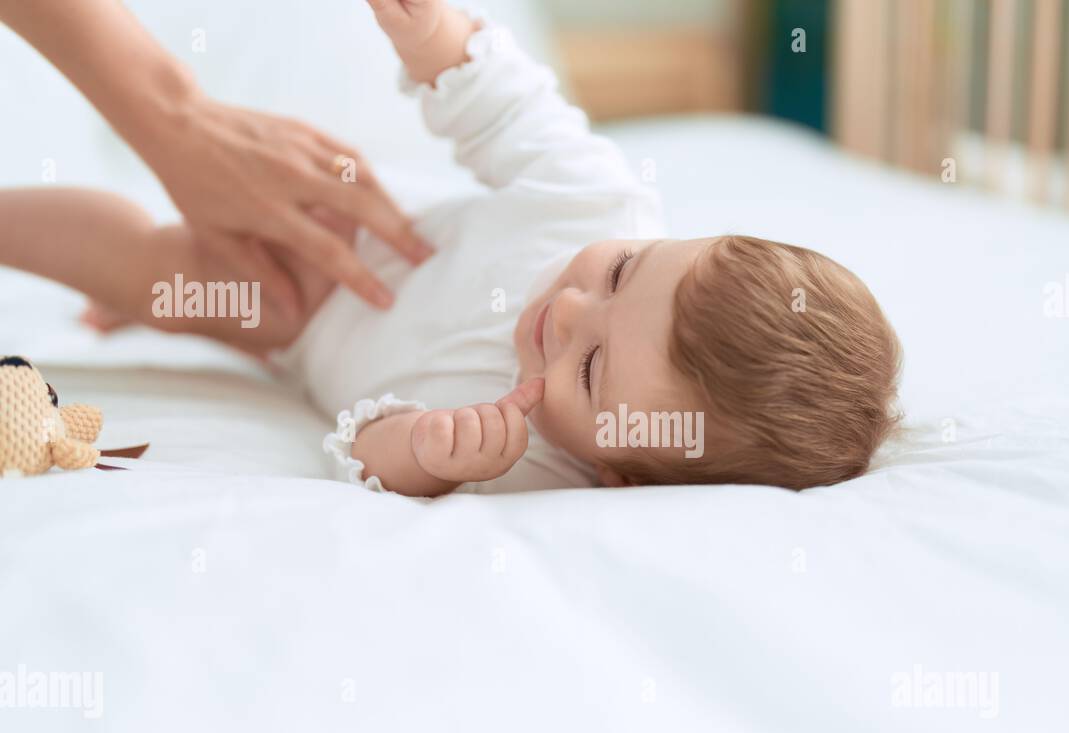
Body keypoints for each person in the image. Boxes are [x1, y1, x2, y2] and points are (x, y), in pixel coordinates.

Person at [0, 0, 902, 497]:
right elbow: (515, 116)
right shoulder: (601, 203)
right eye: (623, 272)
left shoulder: (526, 462)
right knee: (144, 251)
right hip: (340, 224)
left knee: (161, 270)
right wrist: (442, 44)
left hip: (293, 327)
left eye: (591, 369)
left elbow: (357, 446)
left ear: (621, 467)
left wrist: (423, 456)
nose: (572, 309)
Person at [0, 0, 433, 320]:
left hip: (304, 316)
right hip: (353, 242)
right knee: (148, 261)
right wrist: (435, 38)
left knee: (154, 276)